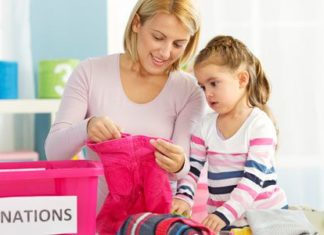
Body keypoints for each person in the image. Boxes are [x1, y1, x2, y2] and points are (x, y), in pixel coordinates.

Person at [45, 0, 205, 214]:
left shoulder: (189, 90)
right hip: (98, 219)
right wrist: (87, 128)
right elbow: (54, 153)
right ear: (137, 23)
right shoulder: (90, 72)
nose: (166, 53)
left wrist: (179, 163)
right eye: (158, 37)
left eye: (178, 44)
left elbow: (184, 168)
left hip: (156, 222)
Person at [172, 35, 288, 233]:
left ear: (242, 79)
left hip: (267, 220)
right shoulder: (205, 126)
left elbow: (253, 179)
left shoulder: (259, 125)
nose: (207, 93)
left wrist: (225, 213)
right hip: (228, 221)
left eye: (214, 83)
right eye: (203, 86)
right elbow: (193, 169)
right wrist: (184, 197)